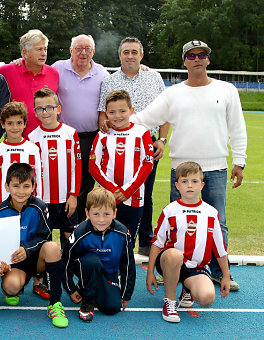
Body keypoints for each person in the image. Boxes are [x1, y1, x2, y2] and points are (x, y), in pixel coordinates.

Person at [130, 40, 247, 290]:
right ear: (184, 61)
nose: (197, 59)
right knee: (176, 223)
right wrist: (117, 122)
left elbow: (238, 127)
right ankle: (174, 269)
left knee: (218, 222)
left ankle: (217, 271)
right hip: (181, 169)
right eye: (191, 56)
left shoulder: (227, 90)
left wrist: (239, 160)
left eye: (201, 55)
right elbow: (145, 118)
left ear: (208, 59)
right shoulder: (172, 93)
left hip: (215, 168)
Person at [98, 37, 168, 257]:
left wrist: (162, 140)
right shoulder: (109, 81)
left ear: (141, 55)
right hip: (117, 145)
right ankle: (113, 239)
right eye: (126, 52)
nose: (130, 56)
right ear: (119, 55)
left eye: (134, 52)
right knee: (112, 192)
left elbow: (166, 112)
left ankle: (145, 241)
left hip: (147, 143)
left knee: (144, 193)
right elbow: (102, 114)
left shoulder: (154, 77)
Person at [146, 162, 230, 323]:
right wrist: (150, 273)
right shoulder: (170, 210)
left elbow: (220, 249)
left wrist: (225, 275)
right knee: (174, 255)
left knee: (207, 298)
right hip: (170, 262)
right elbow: (157, 243)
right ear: (177, 185)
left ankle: (187, 289)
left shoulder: (211, 213)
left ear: (202, 184)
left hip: (196, 267)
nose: (189, 185)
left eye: (194, 181)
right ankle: (169, 301)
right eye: (184, 181)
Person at [0, 163, 68, 328]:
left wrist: (27, 249)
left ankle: (55, 304)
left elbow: (46, 236)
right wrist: (1, 265)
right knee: (11, 288)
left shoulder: (40, 207)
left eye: (26, 186)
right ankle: (16, 286)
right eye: (16, 186)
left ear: (33, 186)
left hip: (37, 259)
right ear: (7, 186)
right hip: (16, 263)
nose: (21, 191)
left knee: (53, 247)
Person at [52, 34, 110, 223]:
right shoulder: (57, 69)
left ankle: (79, 228)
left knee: (85, 184)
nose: (83, 53)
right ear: (70, 50)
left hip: (90, 138)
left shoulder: (102, 73)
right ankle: (61, 227)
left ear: (93, 51)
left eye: (87, 49)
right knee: (62, 182)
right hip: (63, 138)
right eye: (78, 48)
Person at [89, 90, 154, 247]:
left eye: (122, 111)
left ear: (131, 111)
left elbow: (147, 163)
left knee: (128, 240)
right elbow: (93, 165)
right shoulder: (103, 134)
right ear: (106, 113)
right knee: (102, 238)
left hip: (133, 196)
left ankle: (125, 271)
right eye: (112, 112)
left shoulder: (141, 132)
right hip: (106, 196)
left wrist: (127, 190)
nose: (117, 116)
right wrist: (112, 190)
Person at [62, 187, 135, 322]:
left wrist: (126, 294)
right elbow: (66, 260)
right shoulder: (80, 233)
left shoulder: (123, 233)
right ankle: (88, 301)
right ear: (87, 213)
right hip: (86, 268)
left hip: (108, 273)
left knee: (112, 308)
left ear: (114, 213)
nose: (101, 219)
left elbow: (128, 264)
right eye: (96, 214)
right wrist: (71, 289)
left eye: (106, 214)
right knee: (92, 260)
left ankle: (95, 290)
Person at [28, 88, 81, 247]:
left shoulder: (70, 133)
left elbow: (77, 167)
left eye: (50, 107)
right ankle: (46, 271)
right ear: (35, 112)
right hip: (43, 200)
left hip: (66, 198)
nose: (45, 112)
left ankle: (69, 269)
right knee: (44, 239)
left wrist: (74, 195)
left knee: (69, 236)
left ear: (58, 109)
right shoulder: (32, 137)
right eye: (40, 108)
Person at [0, 29, 59, 137]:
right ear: (25, 52)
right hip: (17, 140)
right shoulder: (6, 71)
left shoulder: (54, 73)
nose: (43, 53)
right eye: (39, 49)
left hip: (47, 138)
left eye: (45, 49)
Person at [0, 101, 42, 217]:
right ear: (2, 124)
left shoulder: (33, 149)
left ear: (25, 123)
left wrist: (38, 207)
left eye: (19, 123)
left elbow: (38, 182)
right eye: (10, 123)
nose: (15, 127)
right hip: (2, 210)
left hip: (29, 210)